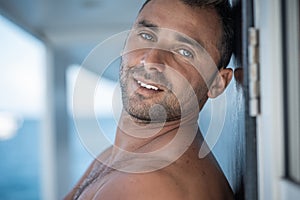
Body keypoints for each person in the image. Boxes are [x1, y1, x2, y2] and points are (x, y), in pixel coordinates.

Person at [65, 0, 234, 199]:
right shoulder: (113, 157)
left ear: (216, 83)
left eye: (184, 51)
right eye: (146, 35)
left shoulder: (148, 185)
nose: (152, 61)